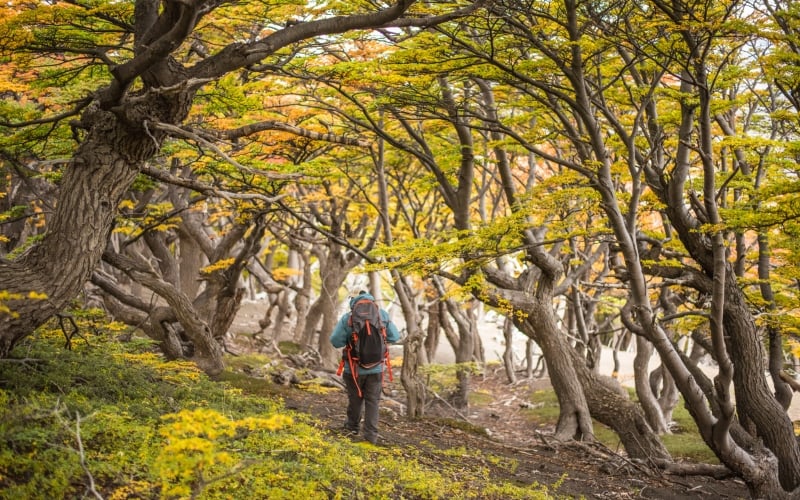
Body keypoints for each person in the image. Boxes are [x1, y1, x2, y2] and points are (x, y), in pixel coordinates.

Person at [330, 290, 400, 444]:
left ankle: (352, 428)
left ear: (353, 301)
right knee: (373, 401)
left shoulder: (348, 318)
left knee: (355, 399)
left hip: (353, 369)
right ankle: (370, 437)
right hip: (376, 369)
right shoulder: (382, 314)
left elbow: (335, 341)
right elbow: (395, 336)